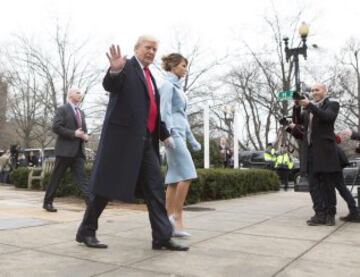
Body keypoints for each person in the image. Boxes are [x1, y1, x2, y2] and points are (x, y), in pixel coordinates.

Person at [76, 36, 188, 251]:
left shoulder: (150, 76)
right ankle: (86, 231)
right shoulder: (126, 67)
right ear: (136, 48)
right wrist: (115, 70)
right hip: (122, 142)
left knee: (155, 188)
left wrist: (164, 134)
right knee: (104, 189)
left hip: (146, 142)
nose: (151, 52)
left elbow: (151, 110)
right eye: (147, 48)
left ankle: (162, 237)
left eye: (155, 49)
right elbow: (111, 84)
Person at [159, 53, 201, 237]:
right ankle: (177, 217)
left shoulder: (178, 88)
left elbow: (182, 117)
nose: (185, 69)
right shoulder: (167, 85)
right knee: (188, 174)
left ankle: (167, 220)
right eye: (183, 65)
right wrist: (166, 134)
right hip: (173, 136)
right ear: (174, 66)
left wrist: (192, 139)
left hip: (180, 134)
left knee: (174, 178)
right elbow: (164, 111)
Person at [288, 83, 340, 226]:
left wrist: (309, 105)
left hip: (325, 151)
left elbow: (327, 118)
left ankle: (330, 214)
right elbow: (297, 122)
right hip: (309, 151)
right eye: (312, 90)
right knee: (314, 185)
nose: (314, 92)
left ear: (325, 91)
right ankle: (319, 213)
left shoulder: (332, 104)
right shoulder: (309, 109)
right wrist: (297, 106)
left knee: (327, 185)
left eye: (317, 90)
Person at [43, 88, 90, 212]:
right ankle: (47, 202)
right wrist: (74, 133)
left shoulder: (81, 112)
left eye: (81, 93)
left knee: (82, 178)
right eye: (78, 93)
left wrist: (85, 136)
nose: (80, 94)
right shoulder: (62, 109)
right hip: (64, 151)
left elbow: (83, 130)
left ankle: (91, 203)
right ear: (70, 95)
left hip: (78, 152)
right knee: (56, 178)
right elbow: (56, 127)